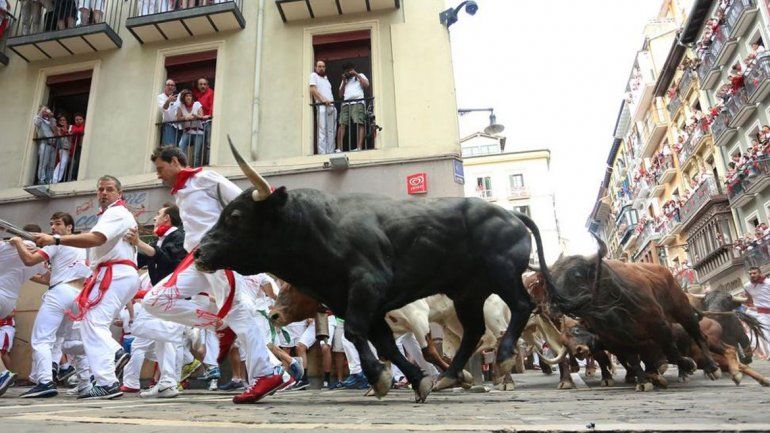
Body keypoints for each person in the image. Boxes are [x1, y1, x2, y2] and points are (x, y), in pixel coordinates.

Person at [143, 145, 285, 404]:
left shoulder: (205, 178)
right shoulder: (181, 192)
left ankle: (267, 373)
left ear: (175, 161)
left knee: (240, 311)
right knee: (154, 301)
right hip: (196, 259)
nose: (159, 175)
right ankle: (219, 323)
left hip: (219, 254)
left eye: (161, 169)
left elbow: (241, 200)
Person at [32, 176, 140, 400]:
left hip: (115, 273)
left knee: (92, 323)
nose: (103, 193)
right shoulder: (116, 215)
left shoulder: (116, 212)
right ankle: (107, 381)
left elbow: (96, 239)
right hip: (119, 274)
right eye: (100, 189)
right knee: (91, 324)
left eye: (109, 189)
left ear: (119, 193)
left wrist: (56, 240)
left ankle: (114, 356)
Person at [10, 212, 93, 398]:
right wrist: (29, 276)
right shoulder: (80, 248)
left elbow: (29, 260)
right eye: (52, 224)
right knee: (68, 342)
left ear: (69, 227)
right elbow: (48, 278)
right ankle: (85, 384)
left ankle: (45, 381)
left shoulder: (56, 242)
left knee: (41, 340)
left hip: (60, 294)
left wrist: (17, 243)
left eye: (57, 224)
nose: (53, 228)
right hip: (78, 295)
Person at [122, 204, 190, 398]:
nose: (154, 219)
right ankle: (167, 381)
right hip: (161, 295)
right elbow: (140, 260)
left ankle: (170, 376)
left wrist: (138, 242)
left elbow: (169, 260)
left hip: (173, 294)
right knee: (160, 340)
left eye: (158, 214)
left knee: (147, 331)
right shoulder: (158, 240)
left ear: (167, 218)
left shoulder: (179, 236)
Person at [0, 224, 47, 397]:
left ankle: (2, 374)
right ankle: (2, 373)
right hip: (9, 302)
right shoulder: (39, 258)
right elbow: (47, 278)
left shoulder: (7, 247)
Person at [337, 63, 369, 152]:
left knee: (359, 122)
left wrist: (356, 75)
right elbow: (340, 95)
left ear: (353, 69)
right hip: (346, 104)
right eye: (346, 70)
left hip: (358, 102)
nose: (348, 72)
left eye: (349, 70)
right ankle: (339, 148)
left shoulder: (360, 75)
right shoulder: (345, 80)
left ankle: (359, 147)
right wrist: (343, 81)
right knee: (342, 124)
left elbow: (366, 85)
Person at [309, 60, 336, 154]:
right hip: (322, 106)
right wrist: (323, 99)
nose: (321, 68)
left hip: (331, 106)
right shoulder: (313, 75)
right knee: (322, 130)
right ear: (316, 67)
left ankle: (331, 152)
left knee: (331, 130)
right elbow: (312, 89)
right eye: (319, 66)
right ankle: (322, 154)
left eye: (323, 66)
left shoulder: (326, 79)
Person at [743, 267, 770, 358]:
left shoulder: (769, 282)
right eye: (750, 274)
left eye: (754, 273)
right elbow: (749, 300)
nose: (752, 275)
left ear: (760, 273)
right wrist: (748, 305)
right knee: (765, 333)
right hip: (762, 313)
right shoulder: (747, 286)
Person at [176, 89, 205, 168]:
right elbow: (178, 118)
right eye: (186, 96)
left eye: (190, 96)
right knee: (181, 146)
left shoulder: (197, 104)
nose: (188, 98)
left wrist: (196, 116)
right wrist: (185, 117)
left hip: (198, 131)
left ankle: (196, 169)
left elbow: (201, 116)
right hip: (187, 131)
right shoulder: (180, 106)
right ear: (183, 98)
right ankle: (184, 167)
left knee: (196, 153)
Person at [192, 78, 214, 163]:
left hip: (208, 122)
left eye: (204, 84)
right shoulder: (199, 95)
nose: (203, 86)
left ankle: (208, 163)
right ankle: (198, 164)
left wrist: (209, 115)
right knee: (200, 145)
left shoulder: (211, 93)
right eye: (200, 84)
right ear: (198, 86)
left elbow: (212, 104)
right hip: (200, 123)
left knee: (208, 144)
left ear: (207, 85)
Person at [34, 106, 57, 185]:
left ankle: (48, 180)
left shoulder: (51, 121)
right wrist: (41, 111)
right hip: (45, 143)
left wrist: (51, 118)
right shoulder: (38, 119)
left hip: (53, 145)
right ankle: (41, 180)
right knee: (43, 163)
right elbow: (37, 122)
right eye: (44, 111)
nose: (46, 112)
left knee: (51, 165)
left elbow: (55, 129)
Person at [157, 79, 181, 147]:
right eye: (168, 85)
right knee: (169, 147)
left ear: (175, 87)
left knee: (178, 148)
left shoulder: (178, 97)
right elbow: (164, 108)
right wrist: (168, 101)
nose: (170, 87)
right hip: (169, 125)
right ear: (165, 87)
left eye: (172, 85)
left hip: (179, 126)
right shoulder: (160, 97)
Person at [52, 114, 72, 184]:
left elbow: (71, 139)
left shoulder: (70, 128)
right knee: (62, 163)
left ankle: (57, 179)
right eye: (61, 120)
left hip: (70, 149)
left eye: (64, 120)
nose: (62, 121)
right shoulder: (58, 129)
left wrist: (67, 132)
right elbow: (56, 134)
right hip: (63, 148)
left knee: (67, 164)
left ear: (66, 121)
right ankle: (55, 179)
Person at [68, 113, 85, 182]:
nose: (78, 121)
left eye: (80, 119)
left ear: (83, 119)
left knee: (79, 162)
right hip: (77, 147)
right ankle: (73, 177)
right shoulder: (73, 126)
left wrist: (75, 132)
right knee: (76, 162)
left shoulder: (84, 126)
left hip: (81, 146)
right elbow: (77, 131)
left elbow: (79, 131)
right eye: (77, 120)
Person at [0, 312, 15, 383]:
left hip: (5, 328)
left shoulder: (6, 302)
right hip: (2, 329)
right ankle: (8, 377)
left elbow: (12, 313)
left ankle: (8, 376)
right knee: (4, 353)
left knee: (3, 353)